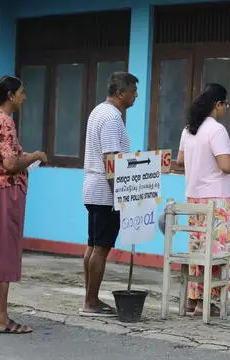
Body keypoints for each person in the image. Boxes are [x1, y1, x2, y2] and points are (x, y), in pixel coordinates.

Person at [0, 75, 48, 334]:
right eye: (21, 93)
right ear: (10, 96)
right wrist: (36, 156)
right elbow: (10, 164)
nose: (24, 98)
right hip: (5, 193)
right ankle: (2, 318)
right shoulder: (4, 121)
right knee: (4, 252)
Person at [175, 83, 230, 317]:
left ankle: (194, 298)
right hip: (216, 200)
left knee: (198, 250)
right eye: (225, 105)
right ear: (218, 104)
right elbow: (224, 165)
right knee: (217, 251)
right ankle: (208, 301)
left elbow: (180, 161)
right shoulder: (217, 130)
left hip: (194, 197)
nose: (225, 110)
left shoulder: (189, 129)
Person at [81, 72, 138, 316]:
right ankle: (91, 301)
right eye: (132, 91)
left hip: (93, 188)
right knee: (101, 248)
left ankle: (89, 298)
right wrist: (119, 196)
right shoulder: (112, 118)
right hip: (105, 191)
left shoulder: (98, 111)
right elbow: (111, 160)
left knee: (92, 246)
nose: (135, 95)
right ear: (119, 93)